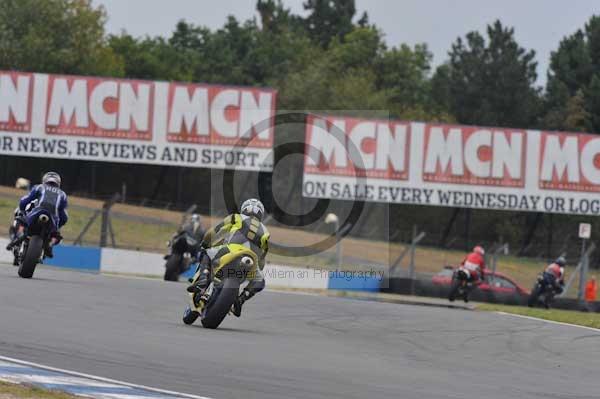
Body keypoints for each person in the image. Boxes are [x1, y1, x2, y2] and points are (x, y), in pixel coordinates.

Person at [187, 198, 269, 317]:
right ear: (261, 213)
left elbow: (216, 230)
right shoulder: (266, 231)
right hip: (251, 260)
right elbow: (262, 258)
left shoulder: (237, 217)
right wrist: (258, 268)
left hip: (231, 250)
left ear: (244, 209)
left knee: (206, 253)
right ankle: (241, 300)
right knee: (260, 281)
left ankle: (203, 278)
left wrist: (205, 243)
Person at [6, 172, 68, 258]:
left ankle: (17, 240)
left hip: (36, 214)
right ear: (58, 183)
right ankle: (49, 245)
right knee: (56, 234)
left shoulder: (39, 187)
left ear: (45, 180)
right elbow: (64, 216)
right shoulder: (63, 195)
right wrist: (58, 226)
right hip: (52, 220)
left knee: (22, 220)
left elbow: (25, 201)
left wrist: (23, 210)